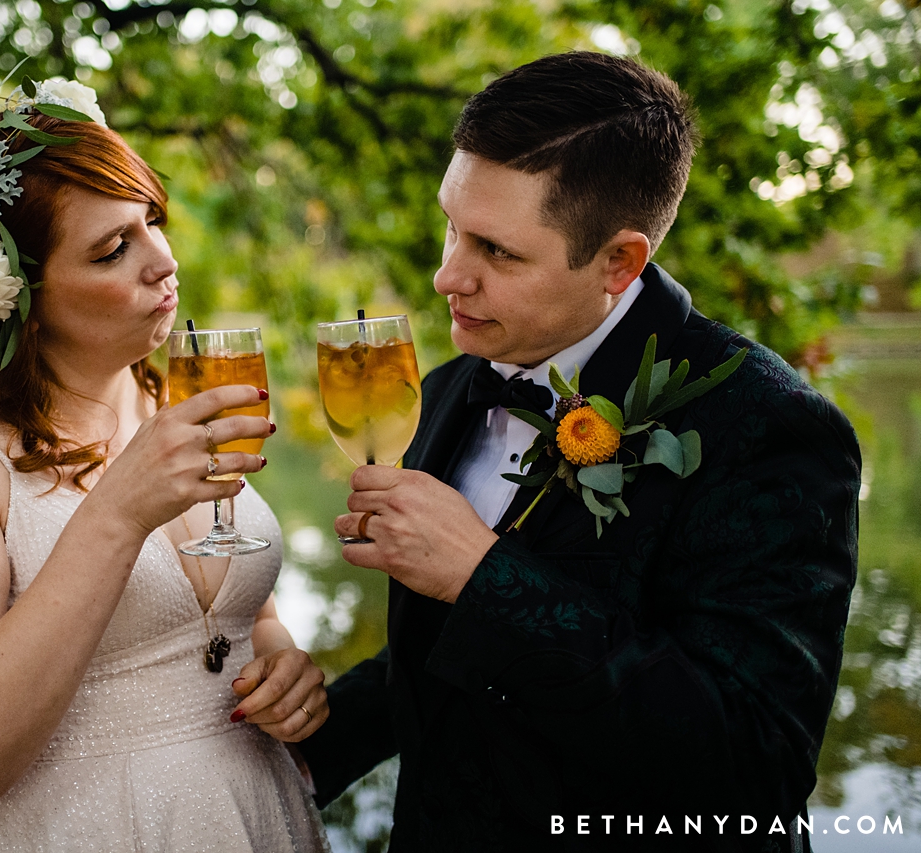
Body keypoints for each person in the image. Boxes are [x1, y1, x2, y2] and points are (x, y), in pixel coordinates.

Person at [297, 51, 860, 851]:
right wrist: (301, 753)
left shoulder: (769, 427)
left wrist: (484, 577)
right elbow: (448, 662)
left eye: (496, 250)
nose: (444, 275)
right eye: (451, 225)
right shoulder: (455, 382)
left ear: (620, 262)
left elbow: (753, 762)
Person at [0, 84, 330, 852]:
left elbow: (239, 616)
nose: (165, 260)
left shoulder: (173, 394)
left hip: (247, 815)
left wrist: (283, 669)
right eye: (115, 248)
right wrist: (115, 514)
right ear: (23, 297)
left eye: (153, 221)